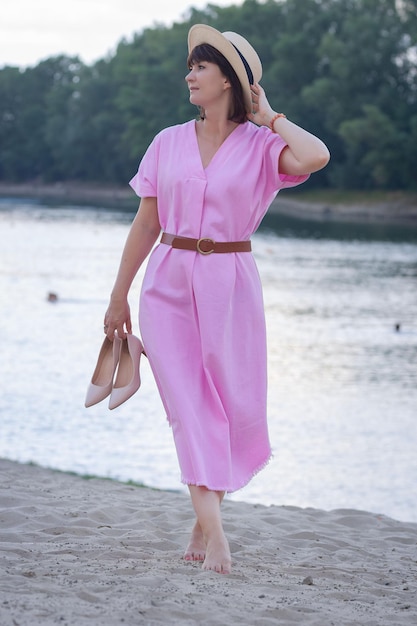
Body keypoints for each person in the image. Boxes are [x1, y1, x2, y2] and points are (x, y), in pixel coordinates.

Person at [103, 24, 330, 574]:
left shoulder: (262, 147)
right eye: (190, 66)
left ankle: (202, 524)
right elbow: (145, 224)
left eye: (200, 67)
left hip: (231, 283)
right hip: (168, 282)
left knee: (225, 407)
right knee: (188, 407)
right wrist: (118, 296)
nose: (190, 75)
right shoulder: (166, 142)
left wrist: (269, 114)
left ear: (228, 80)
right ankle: (218, 534)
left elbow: (316, 155)